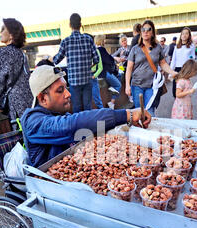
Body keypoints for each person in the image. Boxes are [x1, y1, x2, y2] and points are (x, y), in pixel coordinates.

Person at [21, 65, 151, 168]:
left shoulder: (56, 112)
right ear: (43, 98)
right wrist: (127, 114)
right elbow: (71, 125)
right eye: (60, 91)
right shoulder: (33, 122)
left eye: (66, 88)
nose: (68, 94)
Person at [125, 20, 177, 117]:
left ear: (152, 32)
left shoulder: (158, 48)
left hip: (152, 86)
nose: (145, 32)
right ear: (141, 32)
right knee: (139, 112)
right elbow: (129, 68)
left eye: (149, 29)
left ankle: (151, 131)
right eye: (143, 29)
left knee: (150, 112)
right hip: (137, 85)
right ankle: (141, 131)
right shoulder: (135, 49)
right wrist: (127, 85)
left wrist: (172, 72)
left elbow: (163, 63)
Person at [52, 13, 99, 113]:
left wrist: (48, 59)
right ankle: (89, 126)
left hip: (74, 81)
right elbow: (96, 59)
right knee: (88, 107)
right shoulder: (88, 39)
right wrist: (88, 66)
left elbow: (56, 60)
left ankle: (79, 128)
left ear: (70, 25)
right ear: (80, 25)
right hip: (87, 79)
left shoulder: (66, 41)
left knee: (76, 108)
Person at [0, 18, 33, 130]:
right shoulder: (21, 54)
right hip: (27, 98)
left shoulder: (4, 52)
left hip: (15, 102)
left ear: (11, 35)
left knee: (19, 131)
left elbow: (1, 79)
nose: (0, 32)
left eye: (3, 28)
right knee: (30, 129)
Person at [94, 34, 122, 109]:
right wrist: (115, 60)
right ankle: (112, 103)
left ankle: (112, 87)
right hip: (104, 72)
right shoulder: (101, 49)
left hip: (100, 73)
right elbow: (108, 60)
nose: (105, 41)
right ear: (101, 40)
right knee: (118, 85)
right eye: (104, 39)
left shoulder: (95, 49)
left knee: (119, 75)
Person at [170, 27, 195, 98]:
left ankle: (183, 106)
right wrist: (171, 72)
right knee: (175, 90)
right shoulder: (176, 47)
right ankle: (177, 104)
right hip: (177, 70)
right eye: (183, 33)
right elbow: (173, 60)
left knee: (184, 89)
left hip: (186, 70)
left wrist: (191, 71)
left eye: (186, 33)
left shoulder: (191, 46)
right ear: (180, 35)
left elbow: (193, 59)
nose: (184, 35)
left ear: (189, 35)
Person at [84, 33, 104, 109]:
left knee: (97, 101)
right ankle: (89, 120)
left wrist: (94, 76)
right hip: (83, 79)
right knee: (87, 103)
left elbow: (100, 67)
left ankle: (103, 120)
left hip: (92, 78)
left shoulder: (96, 51)